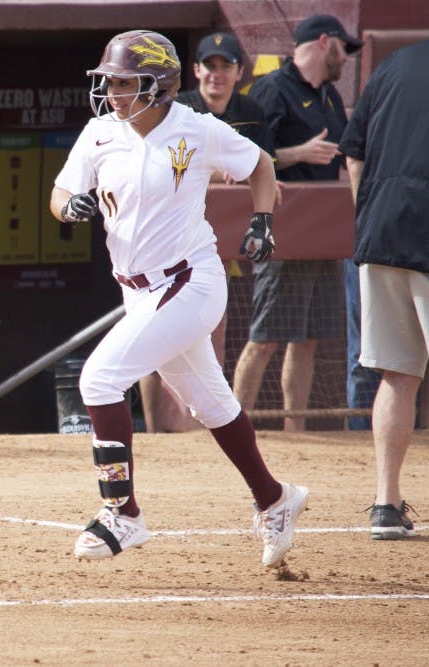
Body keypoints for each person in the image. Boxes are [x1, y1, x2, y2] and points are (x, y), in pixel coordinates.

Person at [50, 30, 307, 567]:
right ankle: (275, 498)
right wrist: (70, 204)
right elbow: (59, 190)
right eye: (110, 82)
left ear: (160, 85)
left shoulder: (195, 128)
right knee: (211, 404)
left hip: (190, 280)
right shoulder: (101, 132)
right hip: (137, 290)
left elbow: (260, 163)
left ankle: (123, 513)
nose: (114, 93)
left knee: (98, 379)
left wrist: (262, 221)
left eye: (125, 83)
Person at [139, 31, 277, 433]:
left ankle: (207, 430)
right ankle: (154, 431)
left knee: (210, 332)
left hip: (216, 241)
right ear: (195, 71)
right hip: (165, 239)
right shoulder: (178, 109)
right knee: (151, 336)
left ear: (238, 73)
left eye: (226, 66)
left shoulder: (250, 110)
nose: (217, 74)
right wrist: (219, 170)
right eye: (209, 66)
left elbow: (261, 164)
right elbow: (161, 163)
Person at [232, 14, 362, 431]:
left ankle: (296, 430)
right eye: (344, 48)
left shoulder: (327, 96)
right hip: (283, 229)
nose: (347, 58)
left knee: (307, 338)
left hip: (323, 233)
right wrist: (299, 154)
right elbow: (251, 159)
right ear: (325, 42)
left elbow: (346, 153)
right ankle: (234, 430)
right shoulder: (272, 89)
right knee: (265, 336)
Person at [339, 39, 429, 539]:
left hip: (381, 234)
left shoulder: (394, 64)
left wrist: (368, 219)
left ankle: (386, 505)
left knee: (397, 374)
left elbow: (353, 157)